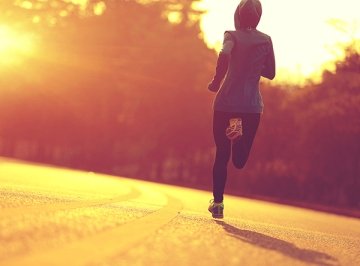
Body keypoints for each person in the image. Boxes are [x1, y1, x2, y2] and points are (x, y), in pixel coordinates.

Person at [207, 0, 275, 219]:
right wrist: (253, 65)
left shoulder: (231, 35)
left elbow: (225, 54)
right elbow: (271, 72)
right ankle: (238, 136)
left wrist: (216, 81)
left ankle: (218, 204)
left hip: (226, 102)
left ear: (237, 15)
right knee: (239, 161)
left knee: (222, 155)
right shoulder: (266, 40)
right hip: (251, 107)